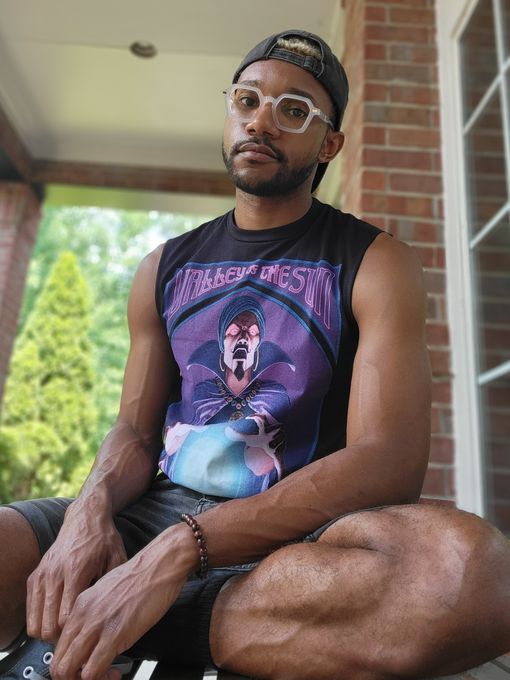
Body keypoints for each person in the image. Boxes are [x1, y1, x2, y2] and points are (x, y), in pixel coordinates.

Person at [0, 29, 509, 680]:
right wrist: (87, 514)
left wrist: (181, 552)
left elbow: (388, 462)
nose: (261, 121)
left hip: (293, 546)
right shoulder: (164, 266)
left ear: (329, 145)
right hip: (146, 521)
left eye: (293, 110)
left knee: (470, 574)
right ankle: (188, 624)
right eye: (247, 100)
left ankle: (140, 618)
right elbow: (135, 430)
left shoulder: (376, 261)